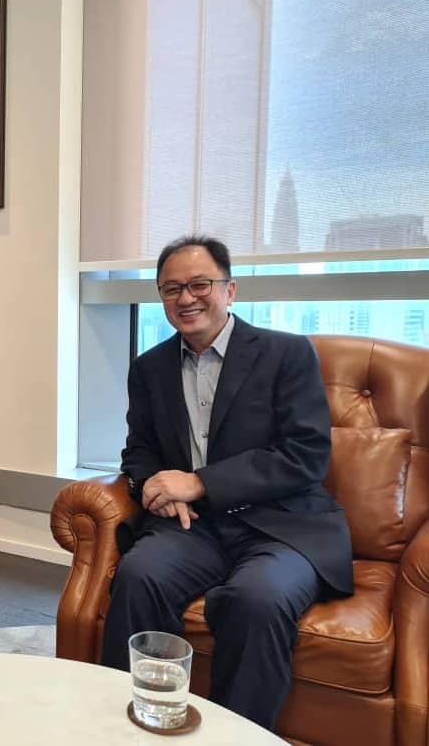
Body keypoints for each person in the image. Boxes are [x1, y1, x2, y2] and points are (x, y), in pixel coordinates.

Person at [101, 234, 353, 730]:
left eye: (200, 284)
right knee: (138, 576)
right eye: (172, 289)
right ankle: (131, 723)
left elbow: (304, 456)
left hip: (281, 528)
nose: (186, 298)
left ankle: (238, 736)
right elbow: (140, 450)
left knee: (256, 600)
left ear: (230, 290)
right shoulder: (150, 368)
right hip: (193, 528)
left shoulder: (287, 354)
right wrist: (152, 484)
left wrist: (198, 483)